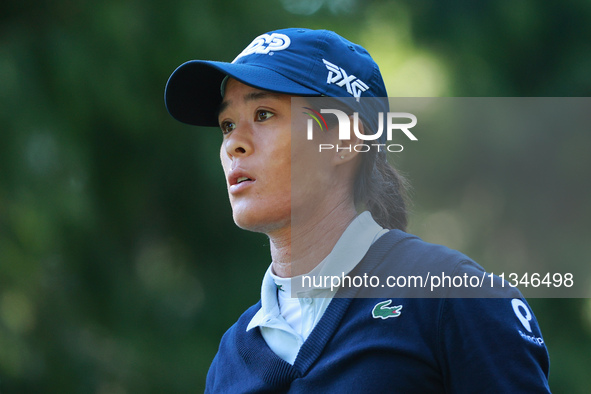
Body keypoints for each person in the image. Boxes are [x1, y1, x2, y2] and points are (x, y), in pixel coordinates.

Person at [164, 28, 550, 393]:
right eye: (227, 124)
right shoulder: (231, 355)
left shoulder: (452, 298)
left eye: (264, 114)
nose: (234, 144)